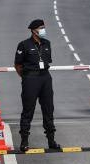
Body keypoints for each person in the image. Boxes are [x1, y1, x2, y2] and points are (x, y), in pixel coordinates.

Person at [14, 18, 61, 153]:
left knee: (48, 109)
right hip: (30, 78)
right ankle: (24, 141)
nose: (43, 30)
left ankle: (51, 140)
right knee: (28, 110)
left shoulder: (47, 43)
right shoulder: (24, 45)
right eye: (41, 28)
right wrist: (26, 77)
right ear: (34, 30)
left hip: (45, 77)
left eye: (43, 27)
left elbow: (47, 60)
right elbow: (17, 65)